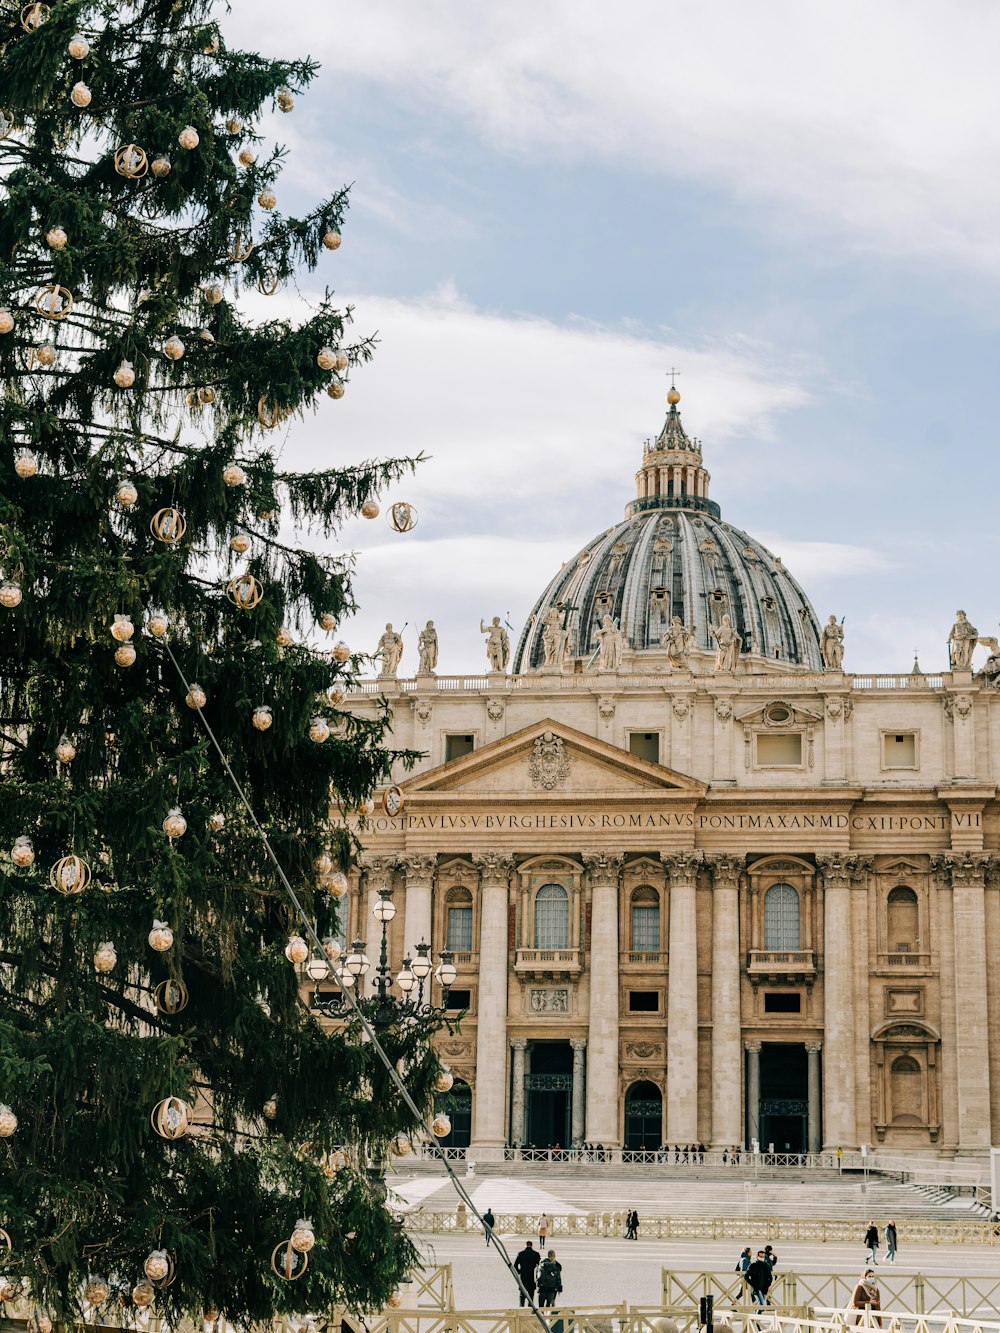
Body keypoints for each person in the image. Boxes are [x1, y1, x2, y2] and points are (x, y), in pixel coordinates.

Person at [513, 1241, 539, 1307]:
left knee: (522, 1297)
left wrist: (520, 1272)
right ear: (532, 1245)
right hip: (531, 1278)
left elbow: (515, 1265)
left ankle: (521, 1309)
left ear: (526, 1245)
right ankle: (530, 1310)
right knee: (531, 1297)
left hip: (523, 1278)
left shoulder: (521, 1254)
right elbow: (539, 1266)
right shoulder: (536, 1254)